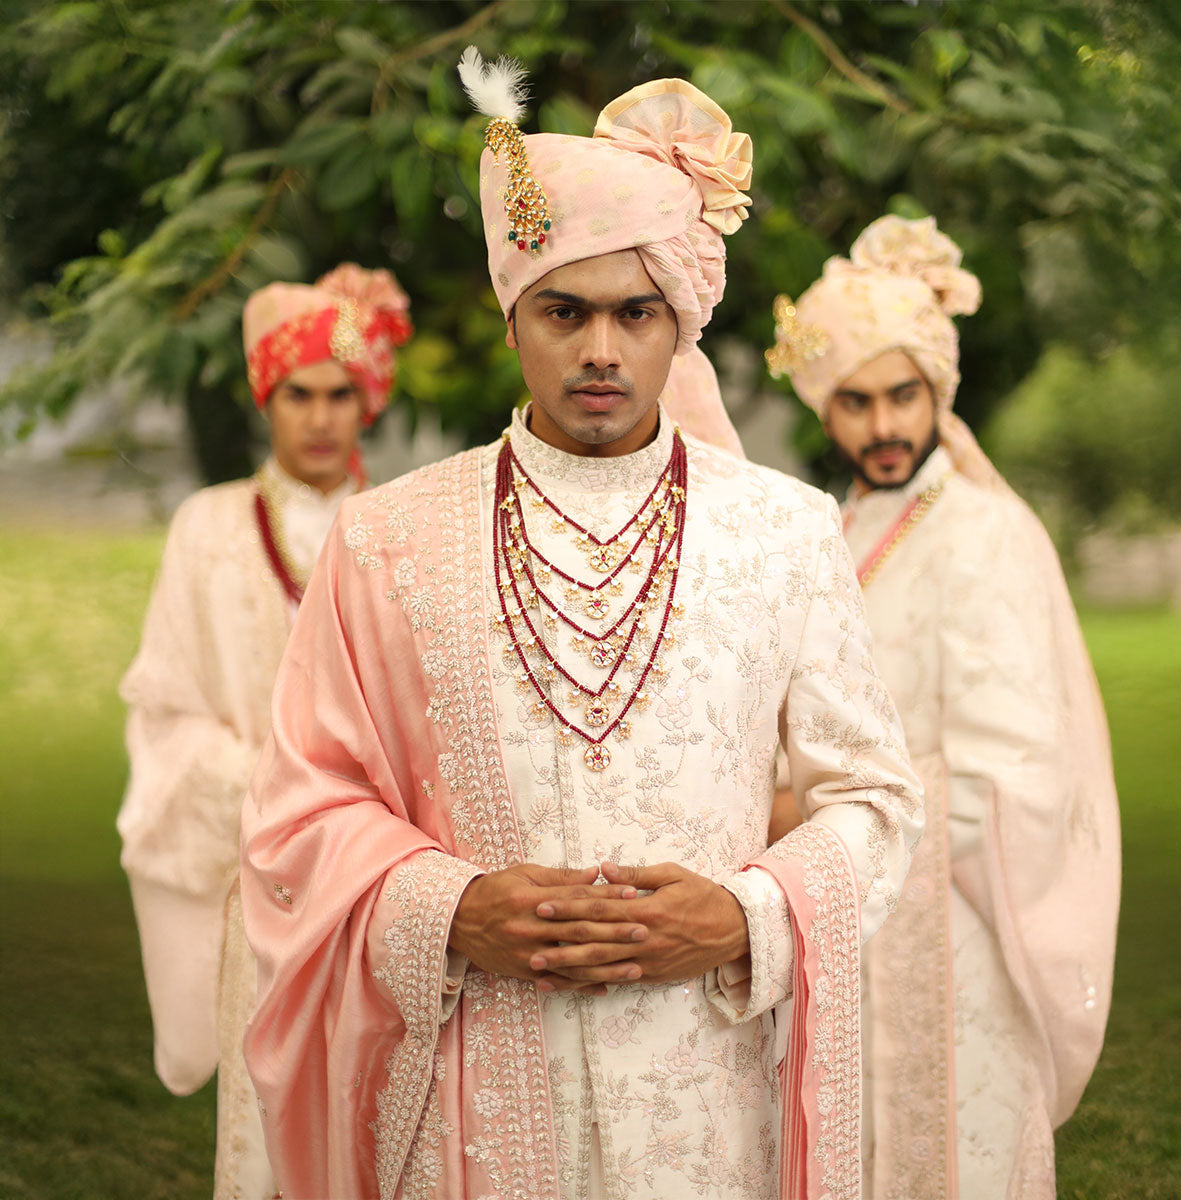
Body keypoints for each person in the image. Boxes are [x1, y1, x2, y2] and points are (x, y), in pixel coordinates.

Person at [239, 54, 923, 1200]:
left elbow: (878, 801)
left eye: (634, 313)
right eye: (566, 310)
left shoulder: (784, 533)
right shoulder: (388, 540)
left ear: (677, 327)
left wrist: (745, 917)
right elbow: (300, 811)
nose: (601, 350)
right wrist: (445, 905)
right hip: (477, 1098)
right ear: (515, 320)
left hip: (709, 1103)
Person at [767, 214, 1121, 1199]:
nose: (882, 426)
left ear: (938, 390)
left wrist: (821, 823)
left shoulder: (985, 532)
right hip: (841, 922)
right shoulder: (832, 528)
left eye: (902, 395)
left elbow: (1007, 780)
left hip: (955, 932)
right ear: (822, 408)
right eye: (854, 401)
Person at [116, 264, 413, 1200]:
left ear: (367, 402)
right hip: (264, 878)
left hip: (382, 879)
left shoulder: (400, 531)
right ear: (266, 399)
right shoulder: (207, 529)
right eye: (299, 394)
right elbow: (166, 706)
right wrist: (271, 796)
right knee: (267, 1120)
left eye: (340, 394)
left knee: (388, 1111)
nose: (320, 418)